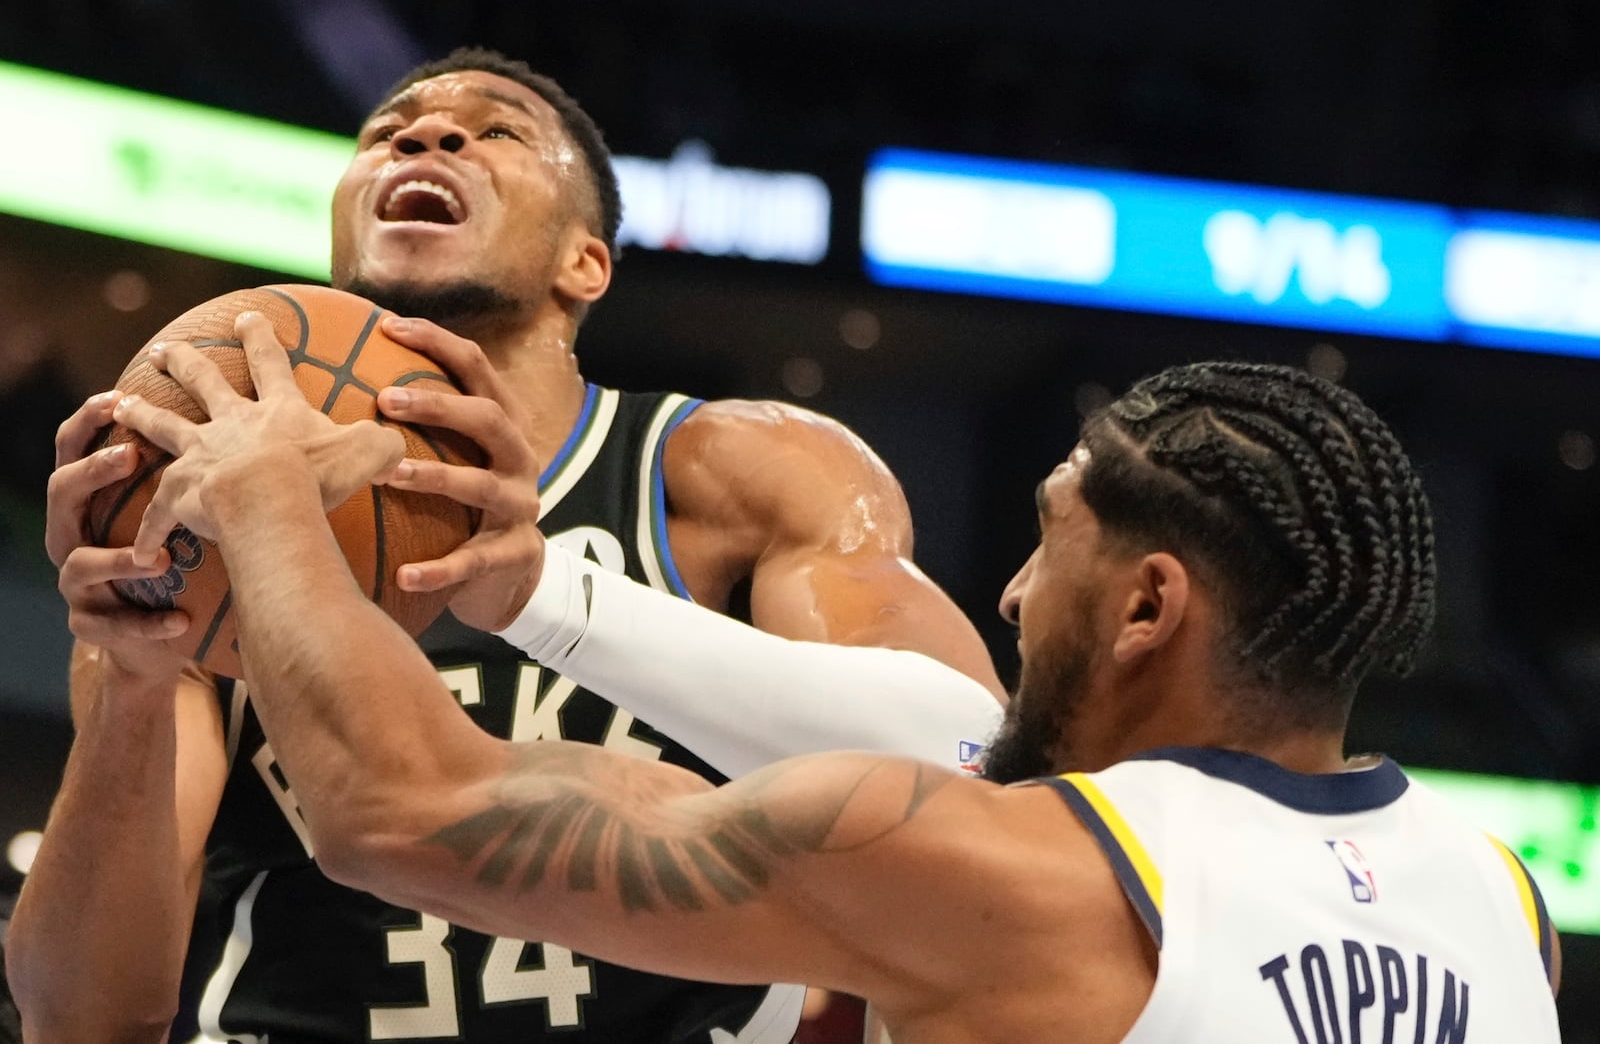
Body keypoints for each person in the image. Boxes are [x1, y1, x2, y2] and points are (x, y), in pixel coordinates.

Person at [80, 343, 1564, 1041]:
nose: (1008, 598)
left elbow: (400, 807)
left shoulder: (997, 867)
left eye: (1046, 550)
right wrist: (539, 592)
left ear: (1148, 606)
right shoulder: (1504, 900)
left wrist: (267, 506)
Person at [9, 47, 1004, 1043]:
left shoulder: (727, 471)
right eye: (386, 134)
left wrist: (545, 593)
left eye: (496, 131)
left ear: (587, 259)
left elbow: (974, 776)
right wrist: (134, 683)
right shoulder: (202, 521)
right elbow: (84, 1014)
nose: (425, 134)